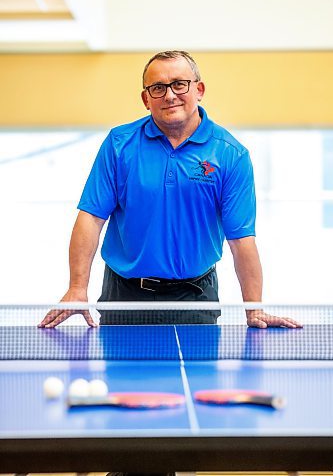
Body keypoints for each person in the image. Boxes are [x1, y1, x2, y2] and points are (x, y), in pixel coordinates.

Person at [39, 50, 302, 329]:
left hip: (196, 297)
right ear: (146, 99)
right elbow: (91, 218)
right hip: (124, 295)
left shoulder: (231, 154)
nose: (169, 95)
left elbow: (241, 239)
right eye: (158, 88)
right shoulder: (119, 144)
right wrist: (78, 287)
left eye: (179, 84)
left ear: (198, 90)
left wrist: (254, 308)